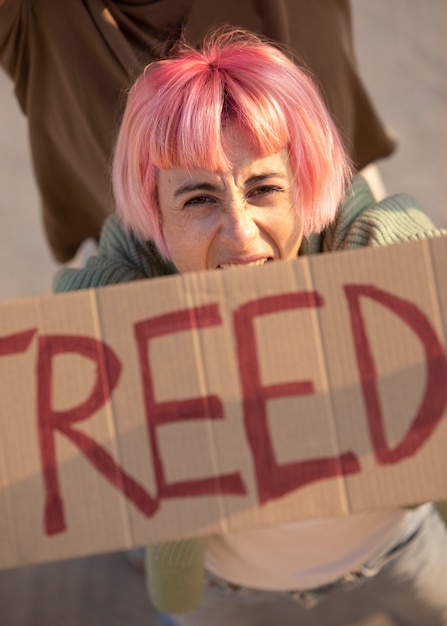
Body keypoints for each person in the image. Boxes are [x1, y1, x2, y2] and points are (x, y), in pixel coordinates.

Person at [54, 27, 447, 626]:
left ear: (304, 188)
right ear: (153, 210)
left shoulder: (352, 234)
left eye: (263, 188)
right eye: (198, 200)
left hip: (397, 552)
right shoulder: (122, 289)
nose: (240, 234)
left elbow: (397, 232)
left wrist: (400, 273)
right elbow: (175, 595)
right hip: (226, 595)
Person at [0, 0, 394, 265]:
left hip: (336, 198)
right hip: (145, 255)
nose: (241, 234)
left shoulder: (367, 229)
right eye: (198, 197)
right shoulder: (36, 16)